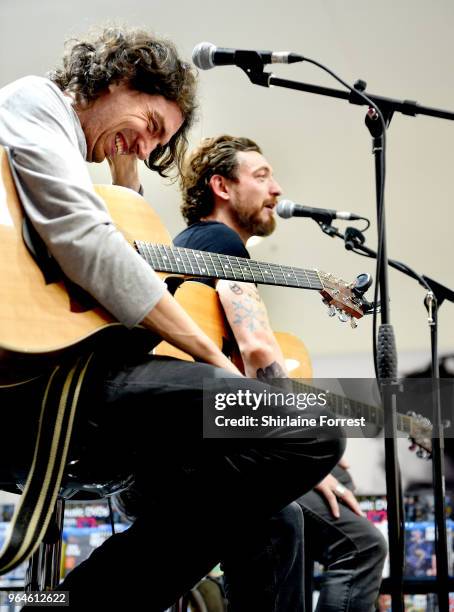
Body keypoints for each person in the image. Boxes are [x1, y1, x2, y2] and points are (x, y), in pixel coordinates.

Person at [0, 27, 343, 609]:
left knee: (273, 521)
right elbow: (84, 242)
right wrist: (214, 359)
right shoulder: (34, 101)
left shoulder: (75, 151)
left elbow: (100, 236)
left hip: (91, 386)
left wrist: (126, 184)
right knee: (316, 424)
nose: (146, 143)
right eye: (153, 125)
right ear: (121, 78)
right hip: (46, 386)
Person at [175, 135, 388, 611]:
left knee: (285, 526)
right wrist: (302, 459)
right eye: (261, 176)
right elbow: (256, 347)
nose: (277, 188)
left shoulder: (190, 246)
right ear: (221, 187)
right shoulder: (219, 240)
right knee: (362, 545)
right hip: (218, 451)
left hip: (199, 445)